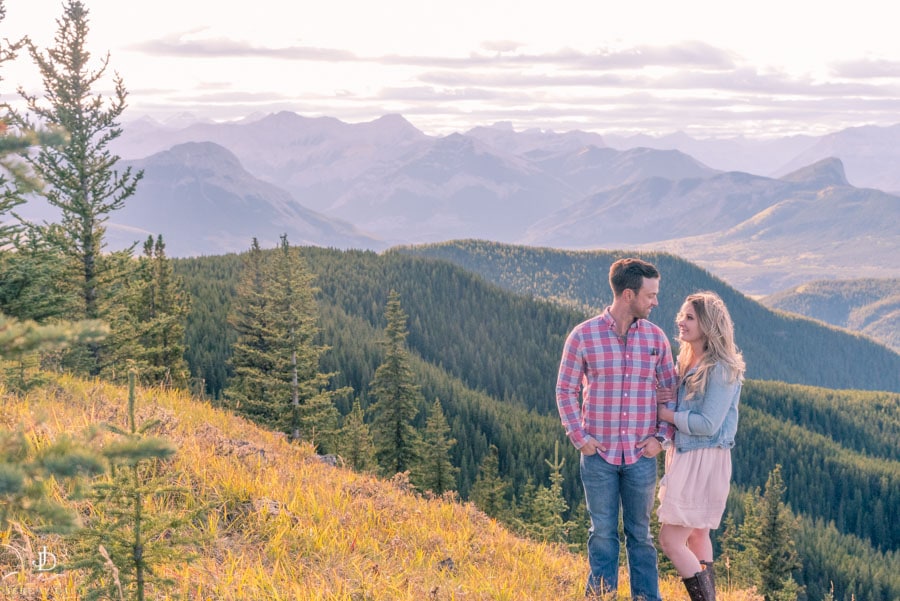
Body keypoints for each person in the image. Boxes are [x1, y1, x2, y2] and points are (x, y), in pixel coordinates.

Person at [556, 257, 677, 600]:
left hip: (641, 455)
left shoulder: (656, 338)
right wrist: (580, 439)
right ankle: (601, 597)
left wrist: (661, 438)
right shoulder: (583, 335)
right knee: (603, 534)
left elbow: (669, 390)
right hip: (599, 456)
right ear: (628, 294)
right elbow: (565, 389)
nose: (655, 301)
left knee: (641, 535)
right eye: (650, 294)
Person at [656, 291, 745, 601]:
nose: (681, 321)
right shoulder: (689, 357)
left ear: (708, 325)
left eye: (690, 317)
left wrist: (667, 415)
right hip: (689, 455)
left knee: (670, 540)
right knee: (697, 534)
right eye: (682, 314)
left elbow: (709, 424)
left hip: (703, 459)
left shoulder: (721, 368)